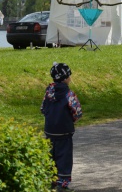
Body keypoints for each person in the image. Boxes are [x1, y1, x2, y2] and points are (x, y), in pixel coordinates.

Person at [41, 62, 83, 191]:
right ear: (65, 78)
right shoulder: (69, 94)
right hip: (64, 132)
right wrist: (71, 120)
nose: (70, 78)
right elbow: (77, 112)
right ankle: (62, 183)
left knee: (51, 155)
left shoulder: (48, 93)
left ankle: (52, 180)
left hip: (50, 131)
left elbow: (43, 108)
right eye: (69, 76)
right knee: (64, 157)